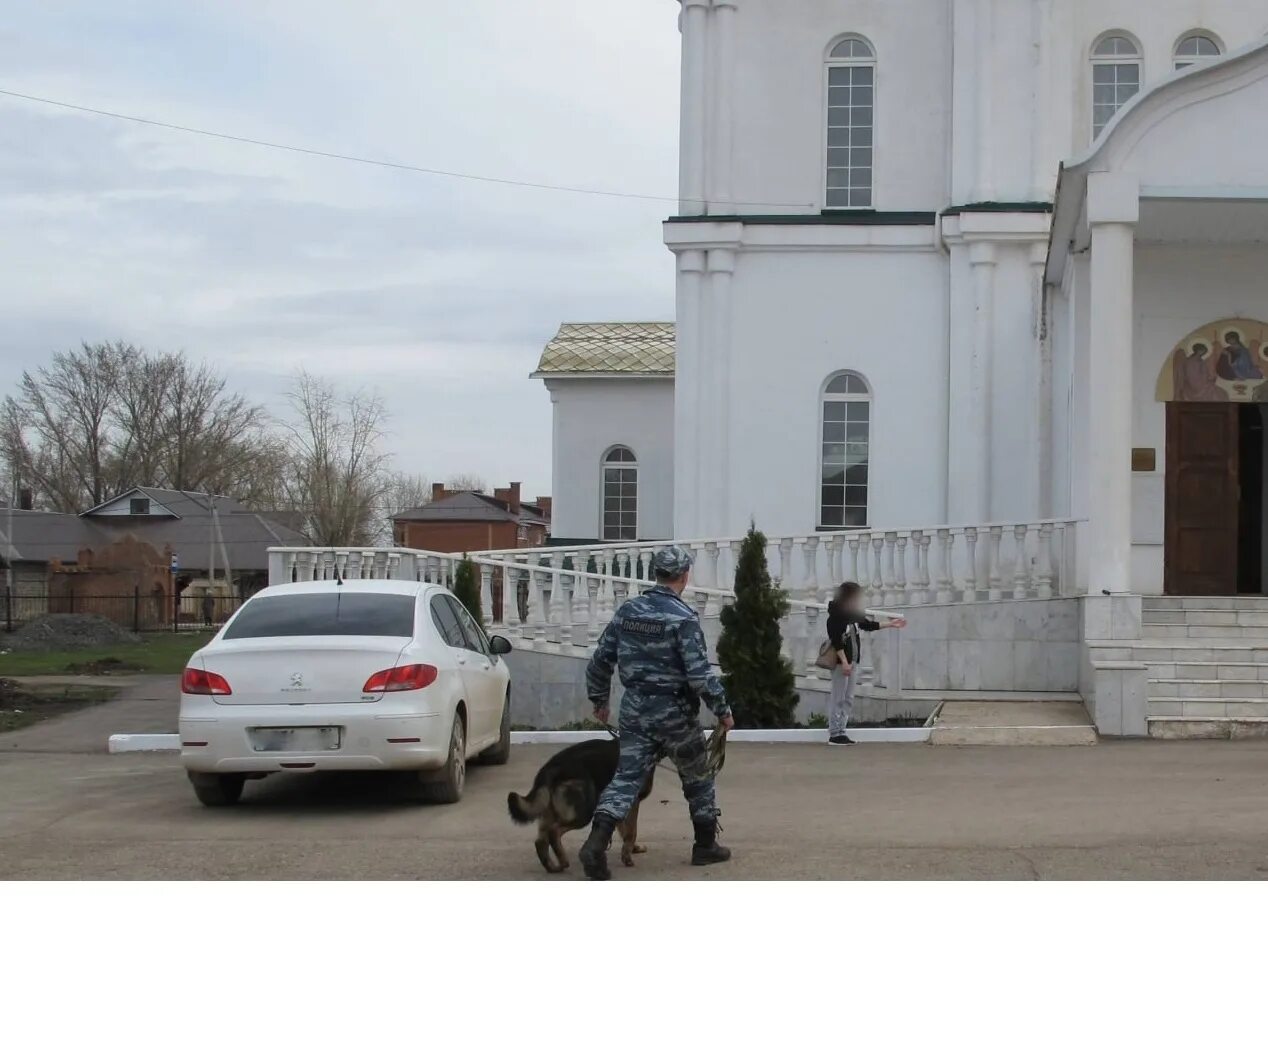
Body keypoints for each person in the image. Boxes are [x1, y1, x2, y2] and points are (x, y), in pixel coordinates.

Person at [577, 544, 736, 881]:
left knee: (626, 779)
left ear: (657, 574)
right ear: (684, 575)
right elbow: (699, 675)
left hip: (635, 709)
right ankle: (705, 845)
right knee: (697, 776)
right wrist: (722, 710)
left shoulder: (627, 612)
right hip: (675, 713)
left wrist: (600, 700)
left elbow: (600, 661)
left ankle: (595, 843)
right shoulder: (683, 618)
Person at [825, 581, 905, 746]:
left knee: (848, 697)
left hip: (853, 661)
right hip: (842, 663)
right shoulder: (835, 616)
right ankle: (834, 733)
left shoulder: (852, 615)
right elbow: (836, 641)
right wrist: (845, 663)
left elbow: (868, 625)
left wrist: (890, 624)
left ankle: (842, 731)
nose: (857, 601)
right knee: (838, 697)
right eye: (855, 597)